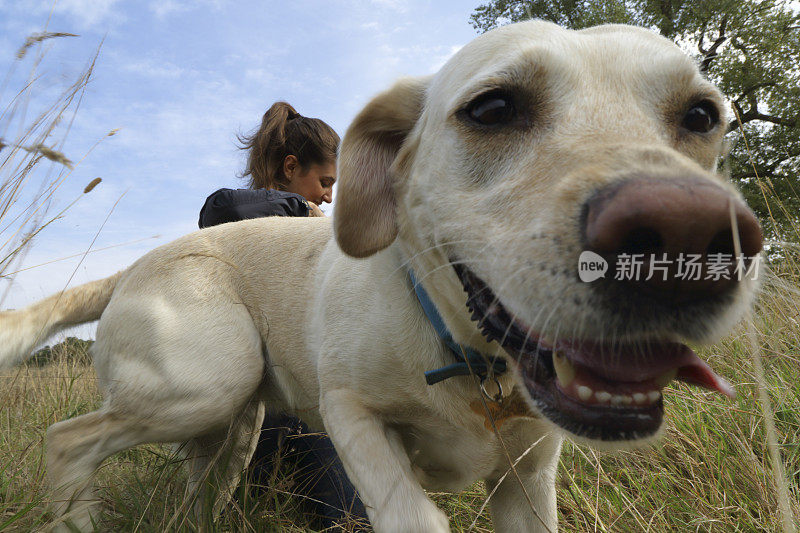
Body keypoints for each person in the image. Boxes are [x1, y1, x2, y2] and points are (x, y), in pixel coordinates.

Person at [198, 101, 368, 530]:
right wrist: (297, 209)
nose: (329, 196)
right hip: (250, 405)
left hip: (313, 404)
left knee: (349, 517)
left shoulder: (318, 236)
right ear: (291, 166)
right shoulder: (244, 217)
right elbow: (217, 210)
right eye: (325, 181)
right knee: (243, 506)